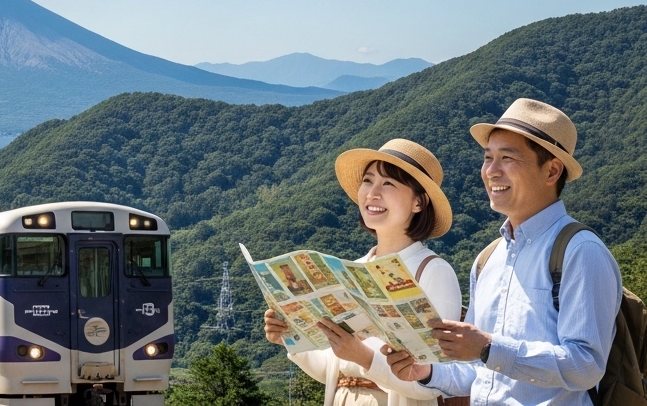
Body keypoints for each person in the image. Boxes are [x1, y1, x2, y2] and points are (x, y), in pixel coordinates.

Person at [385, 98, 622, 406]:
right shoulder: (487, 259)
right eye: (488, 158)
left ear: (551, 171)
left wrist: (488, 348)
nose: (491, 172)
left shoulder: (581, 251)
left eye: (507, 158)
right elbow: (478, 372)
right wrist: (425, 371)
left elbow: (585, 366)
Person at [264, 139, 462, 406]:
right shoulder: (351, 270)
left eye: (388, 184)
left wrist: (364, 357)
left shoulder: (434, 271)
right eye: (368, 181)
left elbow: (436, 384)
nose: (372, 193)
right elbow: (332, 371)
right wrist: (290, 338)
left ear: (419, 202)